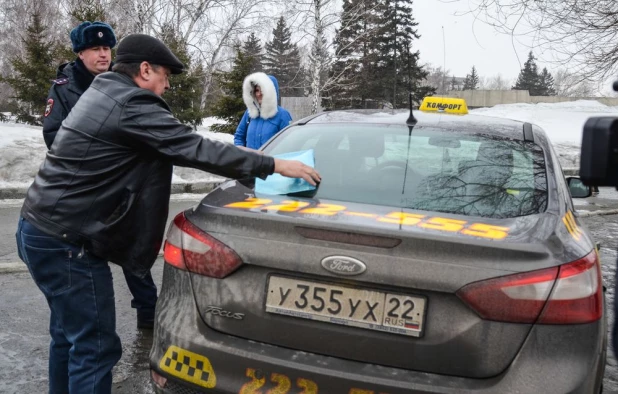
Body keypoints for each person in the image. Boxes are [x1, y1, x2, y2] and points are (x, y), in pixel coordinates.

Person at [15, 33, 320, 393]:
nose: (167, 85)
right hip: (66, 243)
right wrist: (272, 164)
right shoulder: (130, 103)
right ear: (145, 70)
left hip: (39, 228)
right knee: (95, 347)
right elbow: (193, 147)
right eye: (165, 76)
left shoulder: (102, 91)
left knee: (68, 337)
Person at [42, 21, 159, 330]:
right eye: (95, 49)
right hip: (84, 191)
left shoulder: (124, 82)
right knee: (84, 261)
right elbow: (54, 135)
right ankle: (80, 324)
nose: (103, 54)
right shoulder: (65, 88)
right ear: (81, 53)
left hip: (123, 186)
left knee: (134, 250)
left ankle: (148, 313)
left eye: (106, 48)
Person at [234, 72, 293, 149]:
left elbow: (289, 143)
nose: (258, 94)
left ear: (271, 92)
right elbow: (239, 136)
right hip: (250, 160)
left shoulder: (282, 115)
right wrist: (242, 153)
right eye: (257, 90)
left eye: (262, 90)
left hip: (271, 160)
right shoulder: (250, 113)